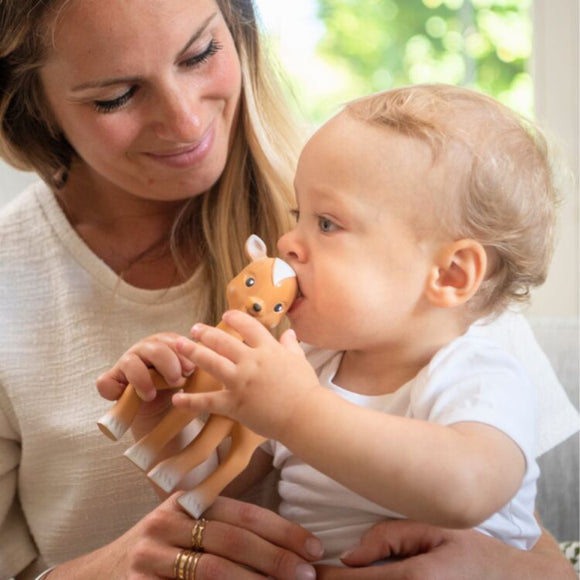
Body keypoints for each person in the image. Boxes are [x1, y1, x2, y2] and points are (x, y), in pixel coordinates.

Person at [0, 0, 576, 576]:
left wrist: (297, 410)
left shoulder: (407, 209)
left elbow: (483, 497)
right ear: (34, 107)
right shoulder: (320, 351)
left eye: (200, 53)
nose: (287, 241)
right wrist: (166, 428)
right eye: (116, 95)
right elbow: (229, 499)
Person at [110, 84, 575, 567]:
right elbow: (203, 485)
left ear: (450, 275)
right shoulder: (306, 368)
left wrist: (297, 412)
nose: (288, 241)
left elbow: (466, 490)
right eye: (298, 215)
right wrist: (160, 411)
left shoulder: (478, 373)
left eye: (327, 223)